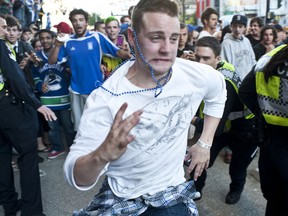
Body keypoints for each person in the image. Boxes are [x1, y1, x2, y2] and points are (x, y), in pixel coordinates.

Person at [63, 0, 226, 215]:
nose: (167, 49)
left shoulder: (195, 74)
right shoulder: (107, 99)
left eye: (174, 38)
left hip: (171, 195)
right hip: (123, 198)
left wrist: (205, 144)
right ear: (132, 37)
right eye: (155, 37)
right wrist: (101, 155)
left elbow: (218, 93)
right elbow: (76, 177)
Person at [0, 15, 56, 216]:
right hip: (9, 107)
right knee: (28, 155)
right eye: (4, 27)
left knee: (2, 157)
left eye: (9, 28)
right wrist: (37, 104)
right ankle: (32, 211)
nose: (7, 32)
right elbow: (14, 77)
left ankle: (9, 206)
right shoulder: (1, 46)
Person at [191, 36, 258, 204]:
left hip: (246, 130)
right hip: (225, 125)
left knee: (237, 167)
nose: (200, 63)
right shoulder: (213, 70)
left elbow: (216, 128)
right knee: (200, 159)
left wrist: (192, 120)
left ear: (218, 59)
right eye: (197, 57)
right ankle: (195, 189)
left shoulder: (223, 83)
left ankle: (236, 189)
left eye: (206, 58)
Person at [48, 9, 131, 131]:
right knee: (80, 128)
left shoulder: (97, 37)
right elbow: (51, 61)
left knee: (98, 127)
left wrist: (128, 52)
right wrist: (57, 45)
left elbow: (118, 52)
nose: (78, 23)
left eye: (81, 20)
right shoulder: (67, 42)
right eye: (75, 21)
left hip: (96, 90)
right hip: (75, 91)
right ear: (72, 23)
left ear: (86, 22)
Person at [239, 44, 288, 216]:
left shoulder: (268, 58)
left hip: (270, 139)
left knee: (274, 199)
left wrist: (265, 115)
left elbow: (245, 92)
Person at [32, 29, 75, 159]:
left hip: (64, 97)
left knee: (68, 126)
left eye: (48, 38)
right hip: (47, 99)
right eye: (42, 38)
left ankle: (73, 148)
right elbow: (35, 76)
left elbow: (71, 70)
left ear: (53, 38)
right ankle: (57, 147)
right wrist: (40, 85)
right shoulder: (36, 56)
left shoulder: (63, 53)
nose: (45, 41)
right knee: (52, 127)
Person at [221, 14, 256, 81]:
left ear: (245, 28)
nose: (237, 29)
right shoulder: (226, 43)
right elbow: (225, 66)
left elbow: (252, 60)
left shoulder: (246, 41)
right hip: (235, 82)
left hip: (248, 80)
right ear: (231, 27)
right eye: (234, 26)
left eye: (240, 26)